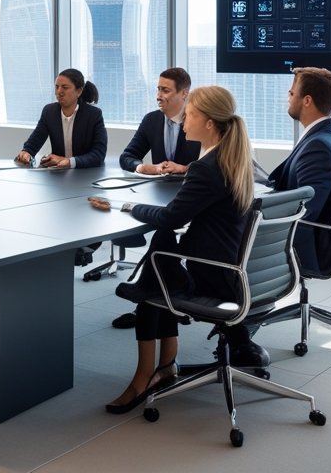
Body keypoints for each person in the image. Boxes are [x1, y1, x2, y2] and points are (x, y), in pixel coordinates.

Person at [87, 85, 255, 414]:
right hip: (230, 269)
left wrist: (126, 206)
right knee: (160, 253)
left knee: (154, 275)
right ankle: (164, 366)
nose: (182, 122)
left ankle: (145, 375)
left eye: (189, 115)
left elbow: (169, 216)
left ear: (209, 124)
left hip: (212, 276)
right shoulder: (233, 158)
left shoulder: (207, 168)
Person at [110, 67, 202, 329]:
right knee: (162, 234)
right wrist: (144, 167)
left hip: (194, 198)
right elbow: (127, 157)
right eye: (157, 89)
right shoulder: (152, 120)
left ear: (184, 94)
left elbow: (214, 160)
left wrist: (185, 168)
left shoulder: (200, 120)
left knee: (163, 233)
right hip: (162, 195)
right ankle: (158, 298)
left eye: (165, 90)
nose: (158, 96)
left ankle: (150, 298)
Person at [267, 66, 331, 276]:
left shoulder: (319, 148)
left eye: (291, 92)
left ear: (306, 100)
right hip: (325, 240)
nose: (288, 97)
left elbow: (305, 211)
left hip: (311, 249)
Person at [15, 68, 107, 169]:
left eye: (65, 87)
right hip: (58, 173)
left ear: (79, 91)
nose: (59, 92)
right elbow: (35, 140)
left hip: (85, 172)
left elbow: (99, 154)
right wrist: (27, 152)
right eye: (57, 87)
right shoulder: (49, 111)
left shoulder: (94, 115)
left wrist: (69, 162)